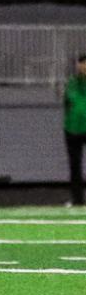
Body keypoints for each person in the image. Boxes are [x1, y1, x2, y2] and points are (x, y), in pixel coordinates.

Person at [66, 54, 86, 207]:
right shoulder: (72, 83)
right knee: (75, 166)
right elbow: (69, 101)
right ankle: (77, 200)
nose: (83, 67)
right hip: (72, 129)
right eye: (81, 63)